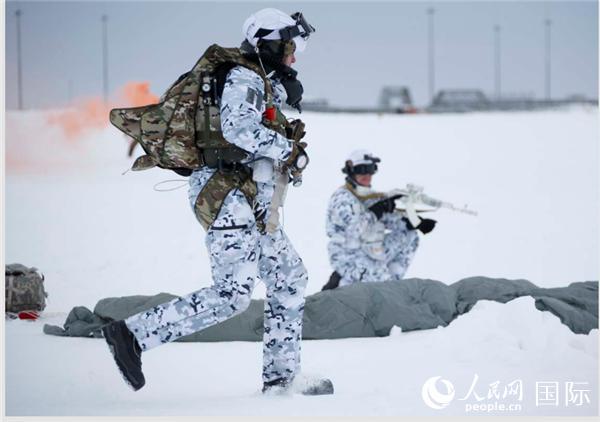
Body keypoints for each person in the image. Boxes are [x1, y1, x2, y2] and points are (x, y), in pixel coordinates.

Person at [102, 8, 332, 396]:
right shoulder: (242, 77)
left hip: (250, 197)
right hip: (225, 194)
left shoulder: (258, 79)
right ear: (270, 44)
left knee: (289, 278)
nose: (294, 57)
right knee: (232, 296)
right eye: (291, 47)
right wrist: (286, 149)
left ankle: (281, 380)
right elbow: (238, 128)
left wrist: (285, 156)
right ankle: (132, 334)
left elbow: (251, 134)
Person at [322, 149, 436, 290]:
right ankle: (342, 282)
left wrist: (413, 222)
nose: (367, 175)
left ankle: (388, 282)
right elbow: (354, 231)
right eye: (362, 170)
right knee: (384, 287)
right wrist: (376, 211)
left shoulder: (367, 195)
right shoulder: (342, 199)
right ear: (351, 171)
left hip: (371, 250)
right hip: (348, 256)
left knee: (409, 237)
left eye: (370, 170)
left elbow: (386, 218)